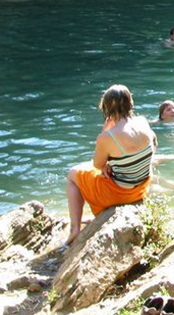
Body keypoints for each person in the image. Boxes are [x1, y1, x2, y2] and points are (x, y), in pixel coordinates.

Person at [65, 84, 156, 245]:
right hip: (142, 187)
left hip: (121, 194)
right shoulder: (143, 122)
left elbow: (98, 164)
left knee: (73, 173)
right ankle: (95, 217)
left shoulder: (107, 136)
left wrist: (105, 131)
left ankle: (74, 229)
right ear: (130, 103)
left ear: (106, 107)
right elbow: (153, 145)